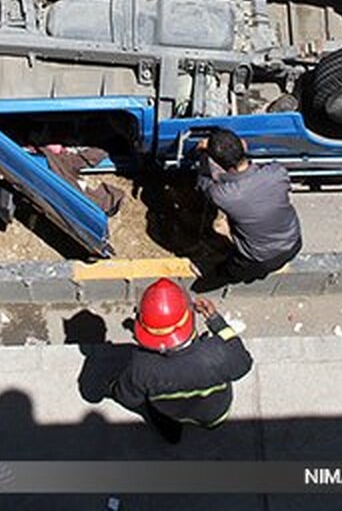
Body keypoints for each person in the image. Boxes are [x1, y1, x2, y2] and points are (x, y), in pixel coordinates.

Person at [110, 278, 252, 443]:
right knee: (212, 420)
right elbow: (244, 363)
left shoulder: (141, 368)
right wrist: (216, 321)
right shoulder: (219, 353)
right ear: (189, 315)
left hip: (171, 415)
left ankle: (173, 437)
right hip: (214, 412)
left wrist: (113, 386)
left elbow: (127, 397)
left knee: (163, 422)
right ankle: (210, 425)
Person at [196, 128, 302, 282]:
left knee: (232, 271)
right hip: (294, 242)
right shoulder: (277, 172)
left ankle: (219, 277)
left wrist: (202, 155)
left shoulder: (223, 195)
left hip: (260, 259)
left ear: (217, 163)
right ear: (244, 145)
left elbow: (203, 183)